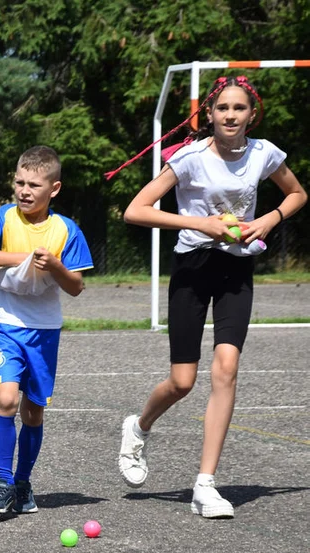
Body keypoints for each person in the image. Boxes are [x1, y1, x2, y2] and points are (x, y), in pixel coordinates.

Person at [113, 75, 306, 517]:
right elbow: (135, 210)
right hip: (193, 269)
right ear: (210, 115)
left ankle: (205, 485)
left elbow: (297, 194)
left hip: (237, 268)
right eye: (223, 109)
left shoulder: (264, 153)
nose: (231, 115)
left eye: (239, 109)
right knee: (183, 382)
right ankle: (138, 427)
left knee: (227, 368)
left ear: (251, 114)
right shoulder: (190, 157)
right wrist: (203, 224)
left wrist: (270, 219)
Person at [0, 145, 94, 514]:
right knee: (6, 400)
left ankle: (23, 483)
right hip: (7, 324)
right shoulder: (4, 218)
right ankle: (3, 481)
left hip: (45, 330)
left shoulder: (66, 230)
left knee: (33, 413)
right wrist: (22, 258)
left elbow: (75, 287)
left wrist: (54, 264)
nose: (24, 190)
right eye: (19, 182)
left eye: (33, 185)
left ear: (53, 189)